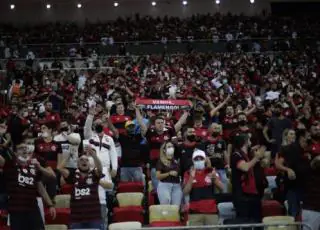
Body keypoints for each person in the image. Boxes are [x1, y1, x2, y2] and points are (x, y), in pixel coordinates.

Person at [0, 143, 56, 230]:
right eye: (21, 148)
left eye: (26, 148)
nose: (25, 150)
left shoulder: (34, 167)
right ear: (15, 153)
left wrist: (50, 205)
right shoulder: (9, 165)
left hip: (33, 209)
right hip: (16, 211)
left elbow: (45, 184)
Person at [59, 145, 108, 229]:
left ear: (89, 163)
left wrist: (93, 155)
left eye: (86, 160)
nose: (84, 161)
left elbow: (100, 168)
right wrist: (68, 156)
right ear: (77, 164)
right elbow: (59, 168)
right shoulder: (73, 175)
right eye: (81, 160)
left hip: (94, 218)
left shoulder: (94, 174)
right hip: (76, 218)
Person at [230, 134, 266, 223]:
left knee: (257, 221)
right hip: (242, 196)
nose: (250, 142)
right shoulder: (236, 155)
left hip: (253, 194)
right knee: (244, 222)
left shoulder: (247, 155)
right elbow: (245, 167)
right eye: (248, 140)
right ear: (244, 142)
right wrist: (256, 157)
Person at [183, 149, 223, 226]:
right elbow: (185, 192)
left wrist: (214, 178)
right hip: (195, 214)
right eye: (196, 159)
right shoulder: (188, 173)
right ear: (192, 160)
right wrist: (191, 177)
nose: (199, 160)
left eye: (201, 158)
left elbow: (222, 188)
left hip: (211, 212)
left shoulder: (211, 171)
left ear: (205, 159)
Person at [275, 129, 309, 218]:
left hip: (307, 186)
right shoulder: (286, 149)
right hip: (292, 185)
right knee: (293, 213)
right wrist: (288, 169)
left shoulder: (308, 148)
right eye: (290, 134)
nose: (292, 136)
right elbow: (278, 164)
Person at [54, 120, 81, 186]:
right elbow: (57, 153)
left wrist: (68, 134)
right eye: (62, 125)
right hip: (63, 165)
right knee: (63, 185)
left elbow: (76, 141)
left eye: (65, 125)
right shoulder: (56, 138)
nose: (64, 126)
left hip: (74, 164)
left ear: (68, 126)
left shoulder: (76, 135)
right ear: (60, 127)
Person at [156, 141, 182, 205]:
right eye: (169, 147)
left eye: (172, 146)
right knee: (166, 206)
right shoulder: (160, 161)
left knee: (176, 207)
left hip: (176, 185)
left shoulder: (176, 161)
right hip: (164, 185)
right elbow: (158, 176)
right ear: (164, 150)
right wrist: (169, 173)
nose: (171, 148)